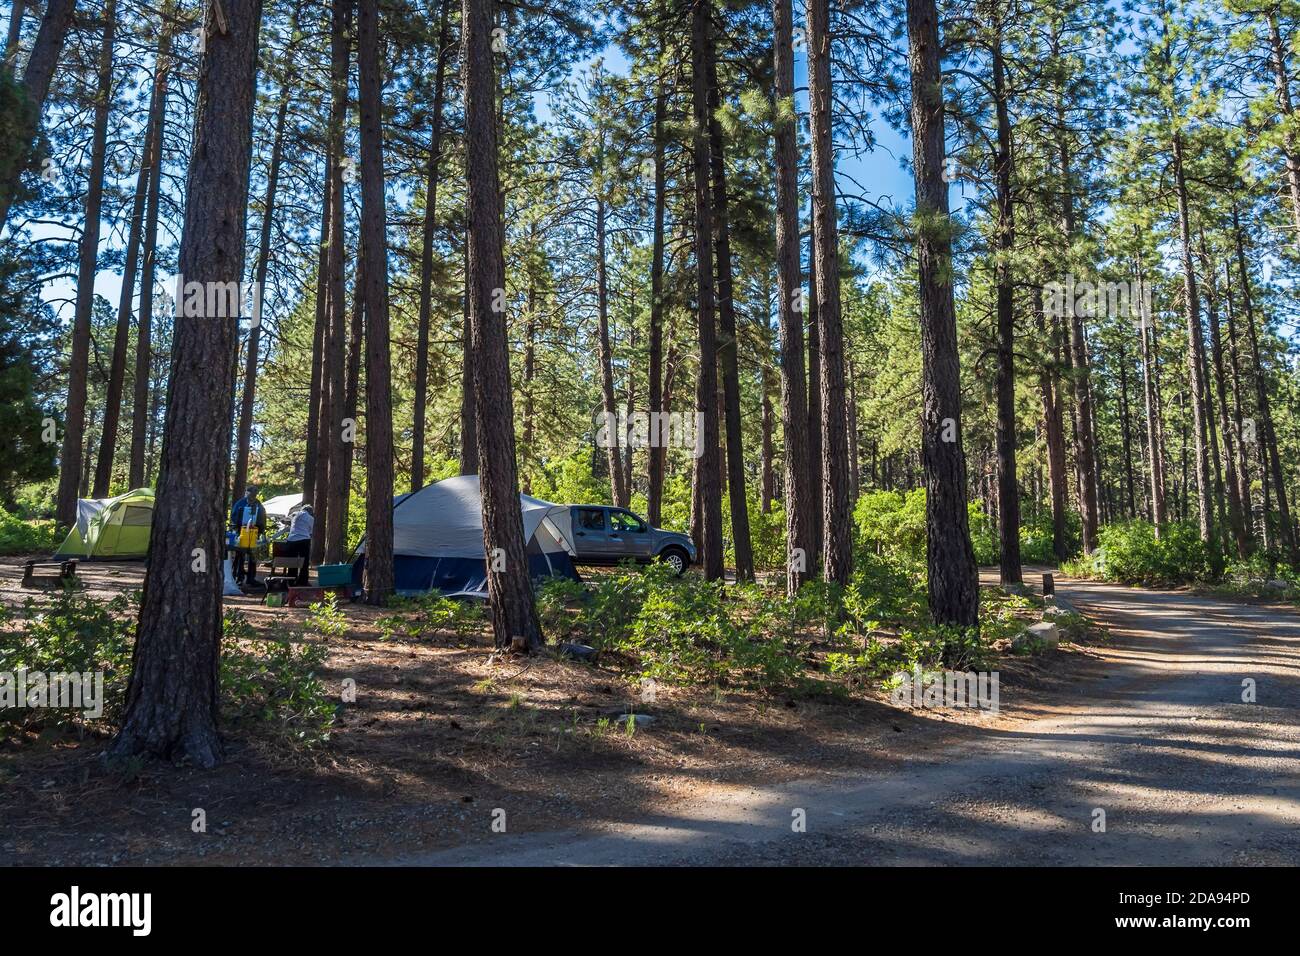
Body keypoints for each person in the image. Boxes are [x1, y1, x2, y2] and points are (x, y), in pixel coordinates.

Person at [229, 485, 267, 586]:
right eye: (251, 495)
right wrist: (238, 527)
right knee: (240, 555)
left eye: (254, 495)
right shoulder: (240, 503)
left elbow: (262, 518)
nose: (252, 497)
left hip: (253, 533)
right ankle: (238, 576)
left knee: (253, 555)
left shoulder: (259, 504)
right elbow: (233, 517)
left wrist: (260, 530)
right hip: (241, 532)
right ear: (247, 493)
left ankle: (251, 578)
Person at [276, 505, 313, 586]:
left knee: (292, 561)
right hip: (304, 540)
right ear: (310, 512)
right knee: (304, 561)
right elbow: (310, 531)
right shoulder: (310, 518)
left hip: (292, 540)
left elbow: (286, 521)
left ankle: (291, 580)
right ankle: (303, 581)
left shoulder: (295, 514)